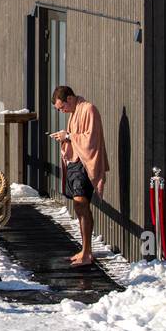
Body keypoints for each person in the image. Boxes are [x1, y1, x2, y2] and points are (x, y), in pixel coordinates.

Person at [50, 85, 108, 267]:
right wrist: (65, 137)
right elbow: (76, 136)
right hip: (76, 162)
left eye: (62, 107)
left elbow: (90, 138)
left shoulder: (88, 109)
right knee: (78, 206)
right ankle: (85, 250)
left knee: (81, 203)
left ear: (69, 98)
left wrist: (67, 136)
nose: (62, 111)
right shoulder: (74, 112)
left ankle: (87, 252)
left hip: (85, 163)